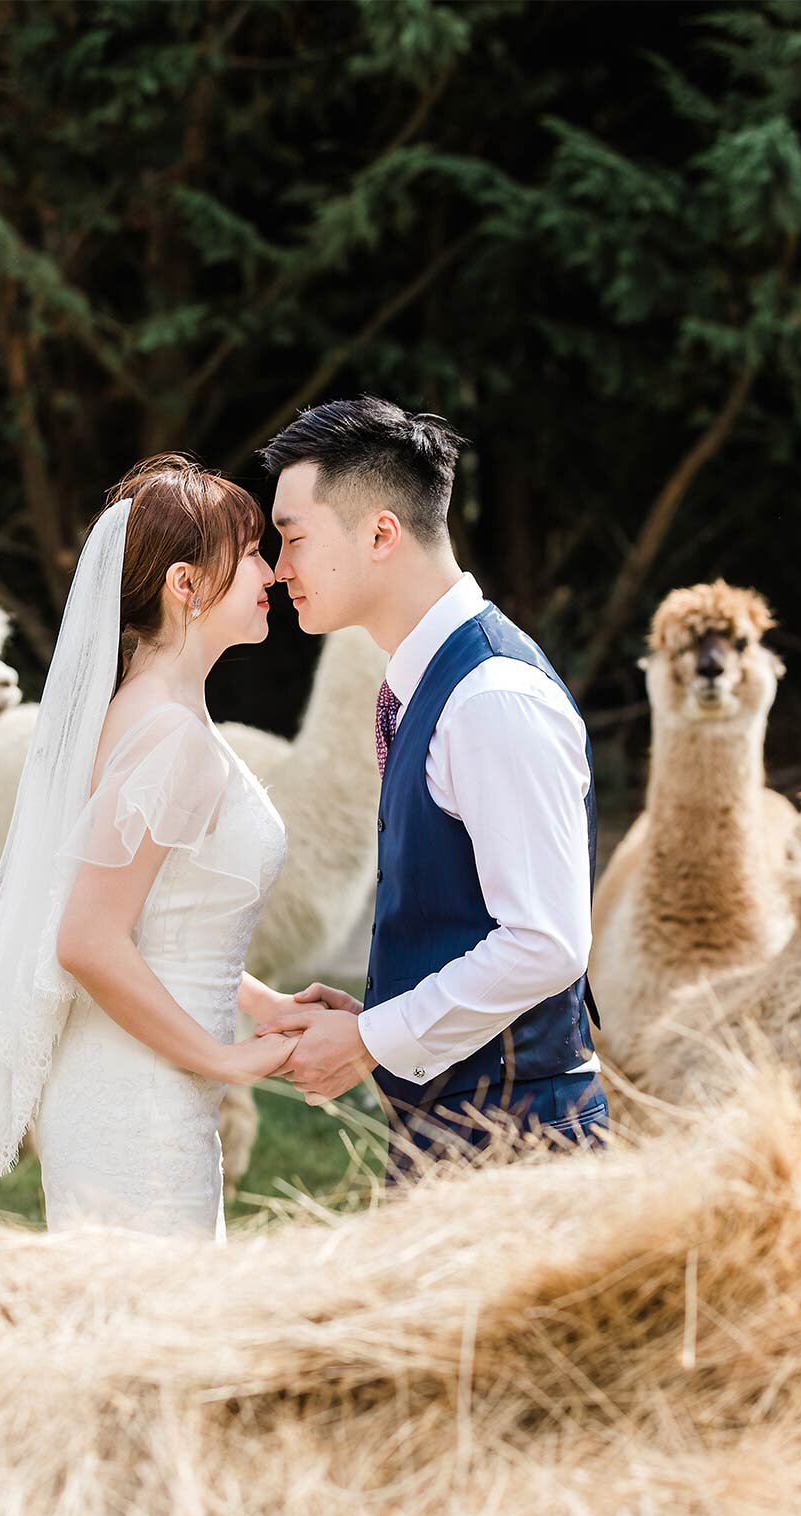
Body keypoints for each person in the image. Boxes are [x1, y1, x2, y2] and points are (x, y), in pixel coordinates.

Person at [0, 454, 331, 1239]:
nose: (270, 571)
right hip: (138, 1101)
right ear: (185, 584)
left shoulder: (150, 714)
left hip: (144, 1081)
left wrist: (263, 1004)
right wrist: (224, 1058)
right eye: (249, 553)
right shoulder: (169, 739)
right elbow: (88, 938)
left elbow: (159, 920)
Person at [254, 397, 608, 1176]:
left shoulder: (491, 698)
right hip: (457, 1134)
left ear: (381, 534)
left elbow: (547, 942)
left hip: (521, 1149)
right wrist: (379, 1016)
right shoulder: (425, 688)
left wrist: (368, 1040)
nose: (278, 569)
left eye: (293, 537)